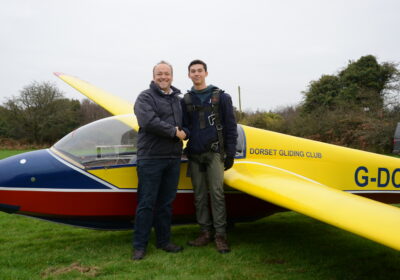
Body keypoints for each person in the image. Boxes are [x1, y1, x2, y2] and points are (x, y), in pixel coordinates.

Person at [132, 61, 187, 261]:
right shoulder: (145, 97)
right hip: (151, 158)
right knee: (146, 203)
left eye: (166, 74)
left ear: (172, 76)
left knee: (165, 204)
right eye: (159, 74)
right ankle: (139, 246)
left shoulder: (178, 100)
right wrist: (174, 132)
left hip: (173, 158)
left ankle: (164, 241)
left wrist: (186, 131)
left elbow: (186, 125)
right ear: (153, 76)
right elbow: (148, 122)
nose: (163, 77)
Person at [182, 59, 237, 253]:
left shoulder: (221, 97)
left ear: (206, 73)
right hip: (195, 154)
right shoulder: (186, 100)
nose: (196, 74)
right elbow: (185, 127)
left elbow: (231, 126)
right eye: (193, 71)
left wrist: (230, 153)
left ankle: (220, 235)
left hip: (215, 152)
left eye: (199, 70)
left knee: (217, 193)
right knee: (199, 196)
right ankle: (205, 232)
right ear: (189, 75)